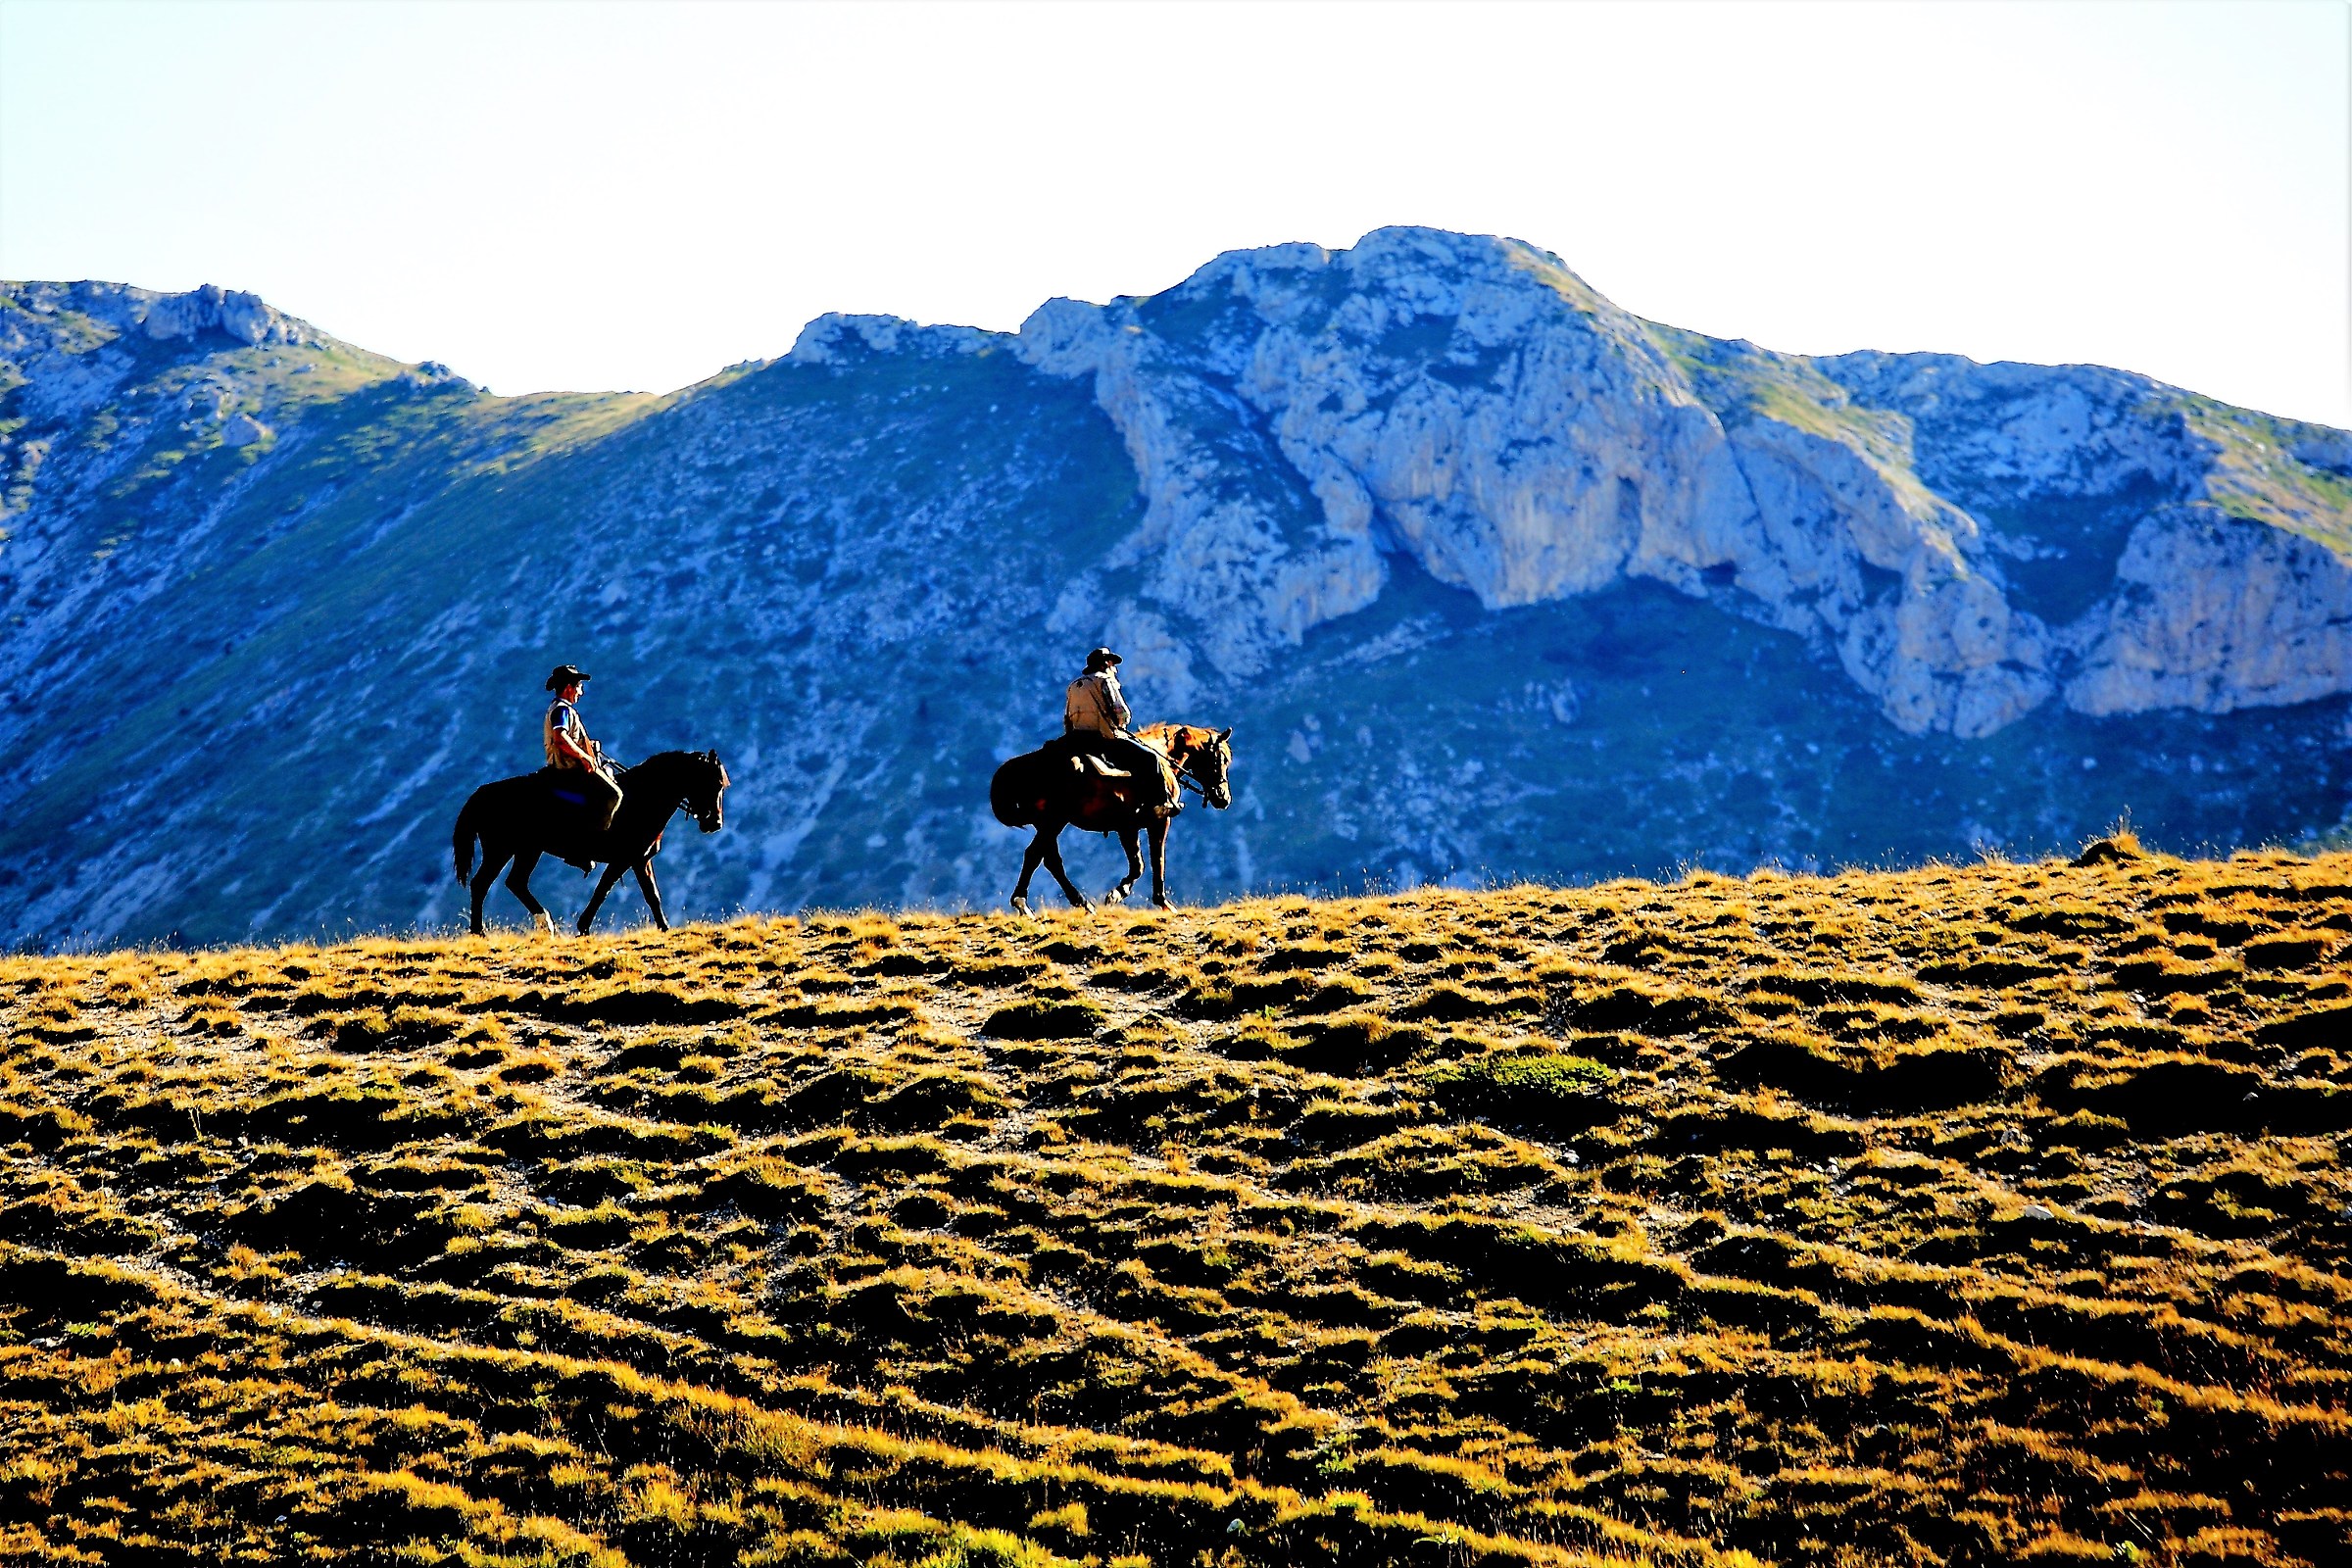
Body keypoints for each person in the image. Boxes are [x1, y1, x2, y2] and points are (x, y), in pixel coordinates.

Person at [1063, 648, 1180, 816]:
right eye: (1112, 663)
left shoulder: (1073, 686)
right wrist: (1121, 725)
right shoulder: (1105, 680)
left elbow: (1067, 718)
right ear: (1105, 664)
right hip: (1104, 738)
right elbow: (1121, 713)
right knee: (1150, 758)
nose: (1114, 668)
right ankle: (1159, 804)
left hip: (1077, 739)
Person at [543, 663, 623, 832]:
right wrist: (584, 756)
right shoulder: (562, 710)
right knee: (614, 794)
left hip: (569, 765)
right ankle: (595, 839)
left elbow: (569, 738)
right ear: (569, 688)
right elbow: (561, 739)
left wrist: (589, 745)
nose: (581, 692)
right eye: (579, 687)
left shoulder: (561, 709)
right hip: (568, 768)